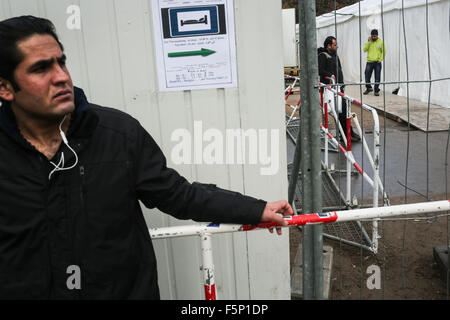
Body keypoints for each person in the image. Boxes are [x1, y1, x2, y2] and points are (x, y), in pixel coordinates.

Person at [0, 15, 293, 299]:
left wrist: (255, 209)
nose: (61, 77)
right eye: (40, 69)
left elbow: (179, 195)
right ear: (5, 87)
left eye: (61, 62)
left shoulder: (117, 134)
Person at [318, 36, 360, 142]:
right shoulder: (323, 56)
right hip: (330, 90)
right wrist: (330, 75)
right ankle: (346, 134)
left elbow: (339, 69)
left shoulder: (335, 56)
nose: (337, 46)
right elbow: (320, 70)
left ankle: (347, 133)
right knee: (340, 111)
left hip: (339, 88)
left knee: (344, 111)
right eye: (335, 44)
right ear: (329, 46)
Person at [363, 29, 385, 96]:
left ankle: (376, 90)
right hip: (369, 62)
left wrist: (381, 59)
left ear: (377, 35)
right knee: (367, 75)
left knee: (377, 77)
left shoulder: (380, 42)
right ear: (371, 36)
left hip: (377, 62)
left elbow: (383, 51)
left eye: (375, 36)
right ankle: (369, 88)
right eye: (373, 36)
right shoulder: (369, 42)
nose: (374, 37)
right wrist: (368, 42)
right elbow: (364, 50)